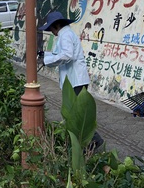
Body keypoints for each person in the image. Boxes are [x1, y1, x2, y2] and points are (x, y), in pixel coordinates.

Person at [38, 11, 104, 150]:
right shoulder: (66, 34)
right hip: (75, 79)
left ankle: (95, 140)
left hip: (75, 80)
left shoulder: (65, 35)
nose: (52, 32)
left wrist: (46, 60)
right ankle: (87, 142)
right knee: (77, 112)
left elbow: (67, 55)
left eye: (51, 29)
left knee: (76, 113)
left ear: (56, 26)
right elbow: (60, 53)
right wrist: (46, 55)